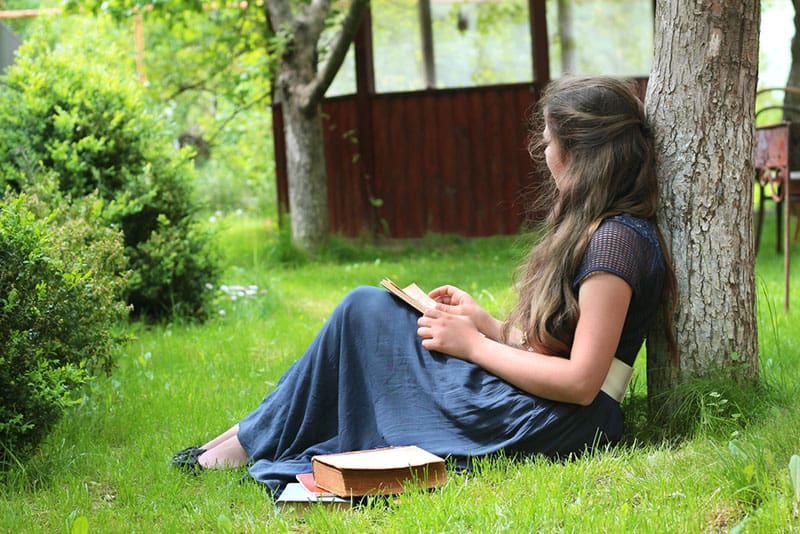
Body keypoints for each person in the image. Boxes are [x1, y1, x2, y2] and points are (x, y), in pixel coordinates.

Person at [172, 76, 677, 494]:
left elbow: (582, 382)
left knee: (364, 314)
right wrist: (487, 324)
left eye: (548, 141)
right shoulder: (602, 230)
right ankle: (244, 438)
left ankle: (241, 443)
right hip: (541, 406)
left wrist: (474, 345)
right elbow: (558, 345)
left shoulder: (617, 242)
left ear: (580, 151)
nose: (543, 152)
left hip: (550, 421)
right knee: (369, 313)